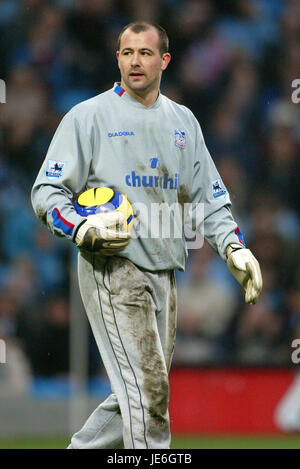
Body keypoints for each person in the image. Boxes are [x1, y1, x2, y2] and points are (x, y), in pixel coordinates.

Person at [31, 21, 262, 449]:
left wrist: (234, 247)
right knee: (149, 390)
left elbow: (209, 196)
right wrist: (81, 227)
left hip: (165, 270)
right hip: (113, 268)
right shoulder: (88, 116)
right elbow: (47, 192)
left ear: (164, 61)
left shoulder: (183, 122)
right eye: (126, 53)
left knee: (135, 395)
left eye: (145, 53)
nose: (135, 61)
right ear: (117, 58)